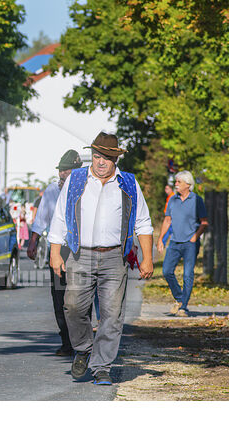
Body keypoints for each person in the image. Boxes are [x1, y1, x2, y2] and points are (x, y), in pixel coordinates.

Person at [48, 132, 154, 385]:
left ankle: (102, 366)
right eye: (97, 156)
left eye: (106, 157)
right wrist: (54, 252)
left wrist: (147, 258)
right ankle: (84, 348)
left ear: (116, 159)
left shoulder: (127, 183)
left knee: (112, 314)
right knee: (72, 307)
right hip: (79, 254)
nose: (100, 162)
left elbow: (143, 222)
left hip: (115, 257)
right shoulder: (76, 180)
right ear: (92, 156)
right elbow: (60, 217)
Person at [27, 149, 83, 356]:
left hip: (80, 252)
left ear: (77, 172)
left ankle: (83, 341)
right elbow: (41, 219)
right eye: (60, 170)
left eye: (66, 171)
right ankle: (67, 341)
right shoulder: (51, 191)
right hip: (58, 251)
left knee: (79, 297)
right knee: (59, 297)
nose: (62, 174)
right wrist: (33, 242)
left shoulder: (86, 189)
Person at [156, 171, 208, 317]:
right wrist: (161, 239)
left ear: (188, 184)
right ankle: (179, 298)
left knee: (187, 274)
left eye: (179, 182)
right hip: (174, 242)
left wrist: (195, 237)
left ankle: (183, 307)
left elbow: (204, 222)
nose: (176, 184)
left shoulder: (197, 200)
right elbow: (167, 221)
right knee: (166, 271)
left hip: (190, 244)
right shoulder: (172, 200)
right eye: (176, 182)